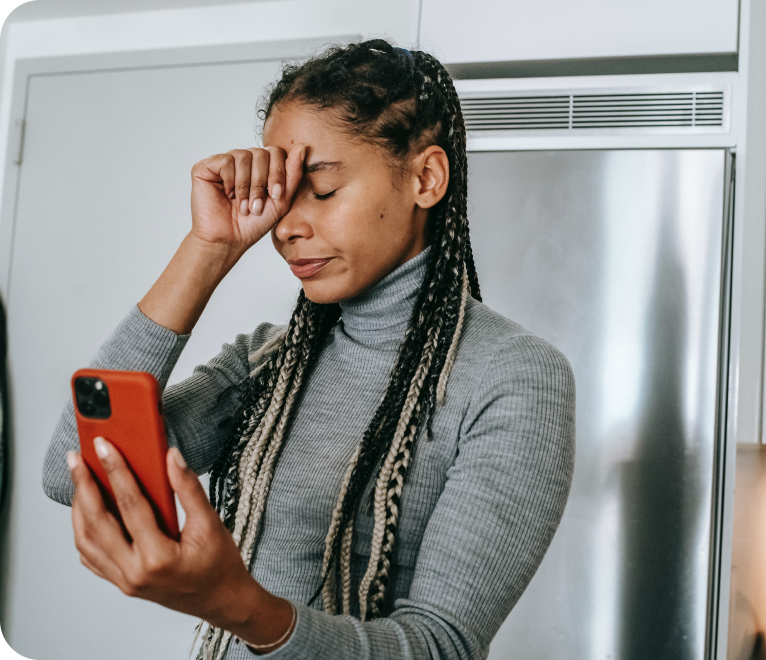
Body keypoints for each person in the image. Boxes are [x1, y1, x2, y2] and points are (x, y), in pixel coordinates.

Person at [42, 40, 575, 660]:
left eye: (320, 191)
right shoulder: (270, 361)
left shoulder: (513, 379)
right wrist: (208, 246)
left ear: (425, 178)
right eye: (282, 196)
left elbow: (441, 647)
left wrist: (236, 606)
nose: (288, 228)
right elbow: (71, 469)